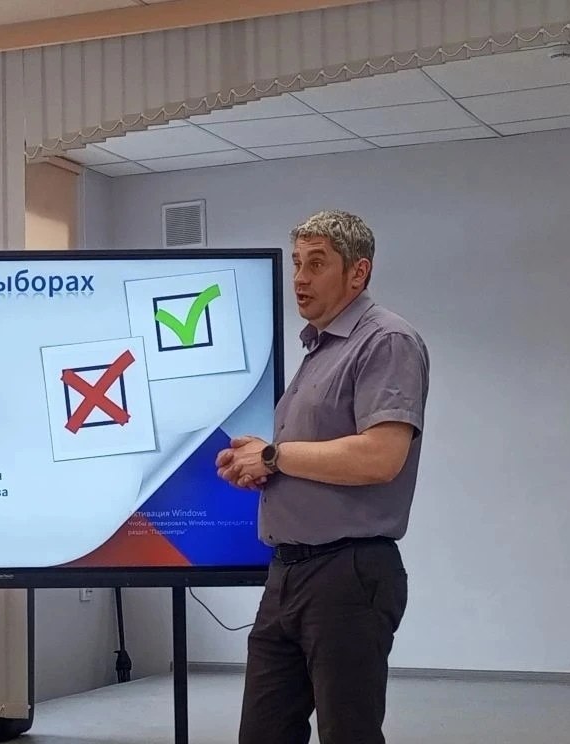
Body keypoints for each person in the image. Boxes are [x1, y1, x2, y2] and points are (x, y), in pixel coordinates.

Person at [216, 210, 430, 744]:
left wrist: (273, 457)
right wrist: (259, 464)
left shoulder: (386, 341)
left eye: (316, 264)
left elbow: (380, 457)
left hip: (347, 575)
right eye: (296, 264)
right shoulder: (320, 347)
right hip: (287, 574)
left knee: (348, 734)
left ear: (358, 272)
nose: (300, 278)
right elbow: (308, 455)